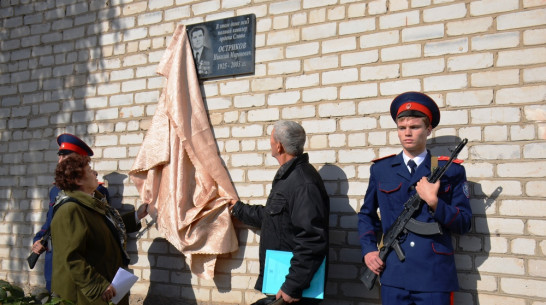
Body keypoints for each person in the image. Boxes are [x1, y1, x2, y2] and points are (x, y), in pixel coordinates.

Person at [358, 92, 472, 305]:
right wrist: (369, 250)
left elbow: (464, 222)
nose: (407, 133)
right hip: (393, 274)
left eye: (415, 127)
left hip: (434, 276)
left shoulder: (450, 171)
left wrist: (435, 203)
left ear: (428, 130)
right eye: (402, 128)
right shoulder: (382, 170)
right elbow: (366, 214)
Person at [230, 120, 329, 305]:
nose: (270, 143)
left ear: (279, 145)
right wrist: (238, 209)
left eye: (271, 139)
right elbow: (272, 217)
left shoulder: (303, 183)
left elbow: (312, 240)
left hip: (293, 292)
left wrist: (292, 285)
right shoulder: (289, 178)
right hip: (281, 284)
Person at [50, 153, 148, 305]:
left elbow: (106, 228)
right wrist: (97, 286)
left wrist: (137, 215)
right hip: (86, 296)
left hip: (109, 287)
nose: (95, 173)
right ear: (78, 180)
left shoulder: (91, 202)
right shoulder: (70, 210)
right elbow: (71, 257)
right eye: (89, 171)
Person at [31, 133, 110, 292]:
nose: (60, 160)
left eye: (65, 156)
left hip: (80, 263)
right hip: (54, 258)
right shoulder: (55, 190)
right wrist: (39, 239)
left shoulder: (96, 191)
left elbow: (105, 224)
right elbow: (50, 221)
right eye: (60, 156)